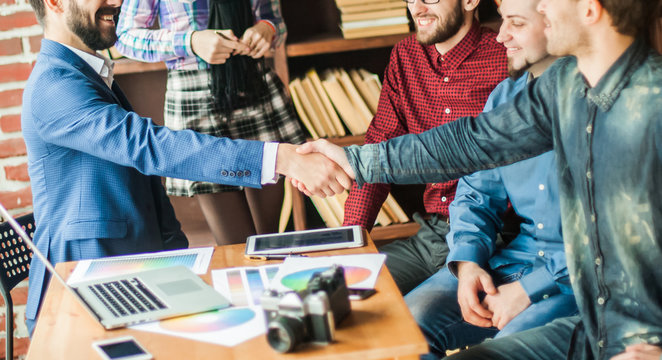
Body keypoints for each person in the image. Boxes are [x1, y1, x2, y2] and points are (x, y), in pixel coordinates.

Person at [297, 0, 662, 358]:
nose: (542, 10)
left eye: (542, 7)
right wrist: (354, 160)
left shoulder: (650, 107)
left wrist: (531, 290)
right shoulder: (560, 86)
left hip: (620, 326)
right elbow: (472, 141)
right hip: (586, 309)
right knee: (400, 338)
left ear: (588, 9)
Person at [22, 0, 349, 335]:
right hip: (78, 295)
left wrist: (176, 257)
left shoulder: (86, 72)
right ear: (55, 2)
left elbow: (141, 181)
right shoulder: (55, 85)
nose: (118, 1)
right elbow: (149, 147)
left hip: (132, 273)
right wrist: (282, 159)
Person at [404, 0, 576, 358]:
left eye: (515, 23)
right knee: (405, 329)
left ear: (555, 23)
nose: (500, 37)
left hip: (578, 281)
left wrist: (531, 288)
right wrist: (467, 263)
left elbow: (619, 239)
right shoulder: (504, 97)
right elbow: (476, 191)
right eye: (502, 22)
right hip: (514, 259)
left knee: (496, 352)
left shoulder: (604, 102)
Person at [343, 0, 507, 294]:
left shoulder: (506, 55)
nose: (417, 7)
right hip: (433, 233)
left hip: (494, 237)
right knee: (343, 289)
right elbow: (380, 144)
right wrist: (348, 242)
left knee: (402, 316)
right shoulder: (405, 56)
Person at [115, 0, 306, 245]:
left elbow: (276, 23)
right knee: (238, 245)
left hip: (252, 86)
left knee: (270, 239)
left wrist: (267, 29)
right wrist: (191, 42)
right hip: (195, 97)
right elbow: (125, 37)